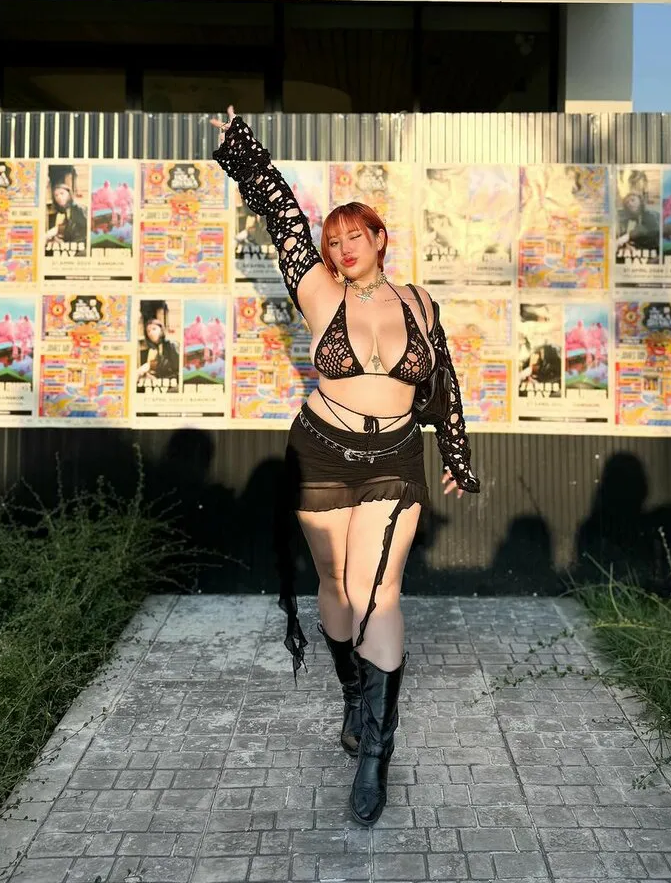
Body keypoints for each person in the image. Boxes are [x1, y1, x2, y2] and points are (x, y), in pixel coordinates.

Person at [211, 106, 480, 828]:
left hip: (395, 456)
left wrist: (456, 451)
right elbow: (280, 213)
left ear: (380, 237)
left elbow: (444, 378)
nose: (342, 246)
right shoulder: (316, 289)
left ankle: (376, 754)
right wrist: (240, 146)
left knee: (375, 591)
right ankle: (353, 694)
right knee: (334, 585)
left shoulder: (418, 301)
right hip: (322, 453)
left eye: (354, 234)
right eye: (334, 239)